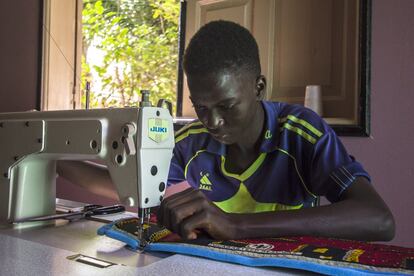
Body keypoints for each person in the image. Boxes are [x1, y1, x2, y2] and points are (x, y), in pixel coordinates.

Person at [58, 20, 395, 242]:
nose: (213, 121)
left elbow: (379, 220)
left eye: (227, 106)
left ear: (259, 87)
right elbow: (124, 185)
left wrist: (236, 226)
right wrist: (48, 157)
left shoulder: (300, 132)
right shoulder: (192, 142)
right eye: (201, 107)